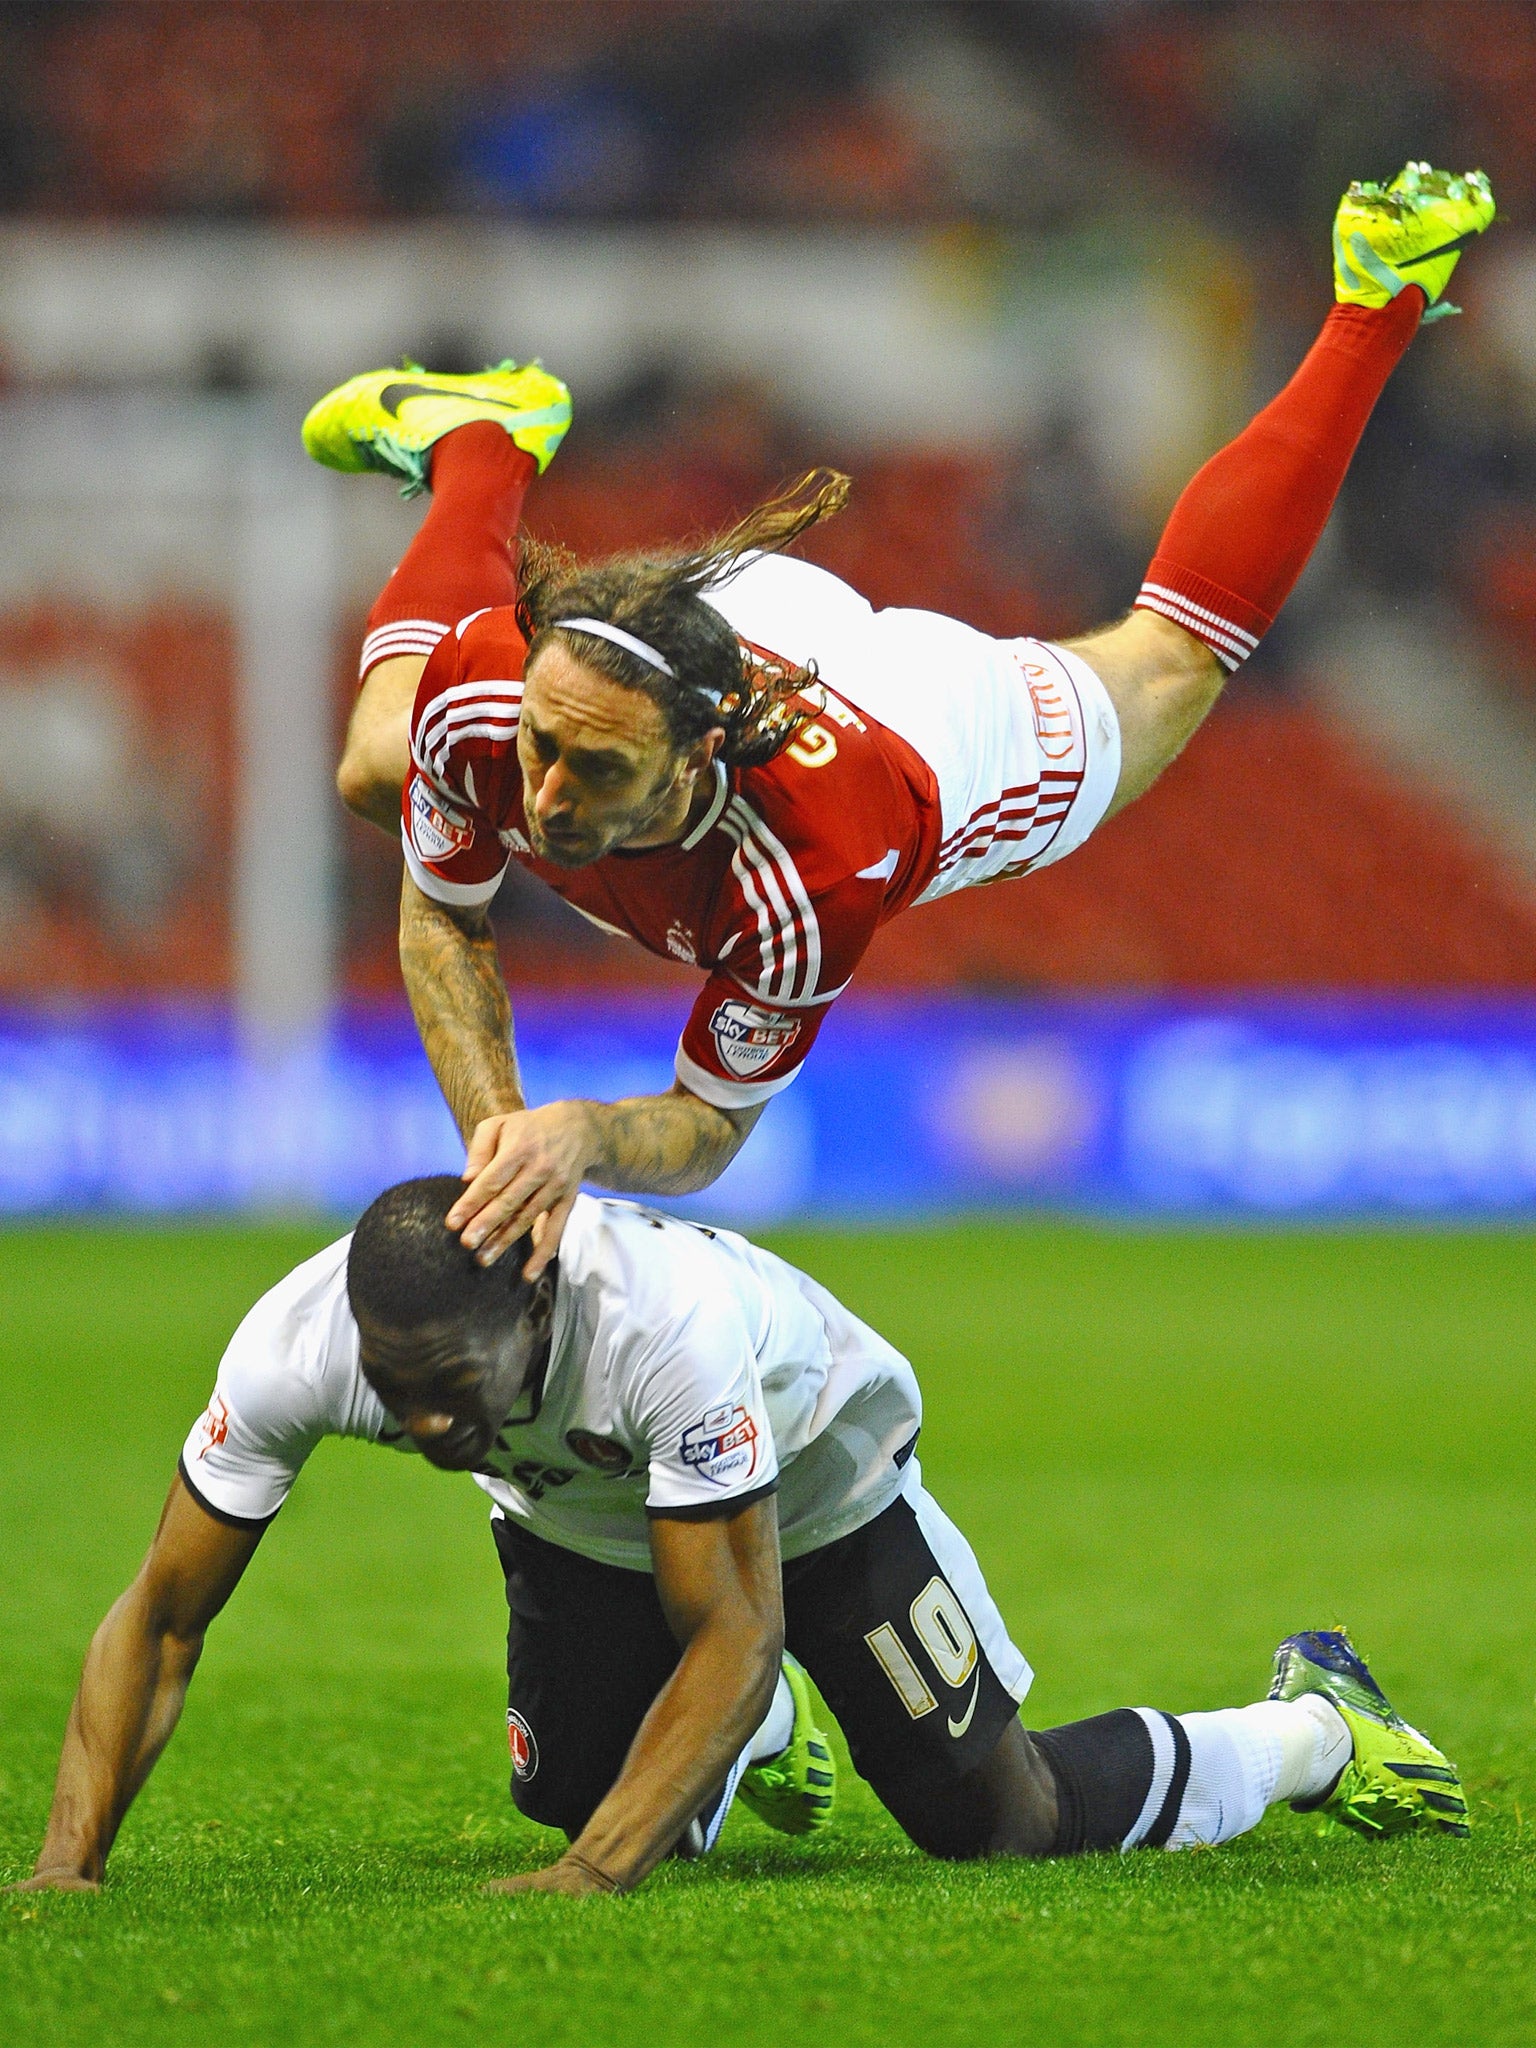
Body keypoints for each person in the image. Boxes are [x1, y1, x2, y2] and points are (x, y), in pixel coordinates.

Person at [300, 164, 1495, 1276]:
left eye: (597, 772)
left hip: (923, 720)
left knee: (1171, 663)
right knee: (373, 764)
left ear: (693, 758)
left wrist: (584, 1134)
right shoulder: (500, 693)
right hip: (730, 611)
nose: (547, 798)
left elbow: (711, 1126)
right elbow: (441, 919)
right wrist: (502, 1146)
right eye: (541, 750)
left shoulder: (812, 870)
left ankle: (1374, 298)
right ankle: (486, 432)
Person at [13, 1179, 1466, 1897]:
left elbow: (737, 1620)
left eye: (454, 1397)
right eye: (400, 1402)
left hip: (819, 1483)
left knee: (994, 1826)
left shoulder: (665, 1330)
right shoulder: (299, 1346)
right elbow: (162, 1617)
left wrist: (595, 1882)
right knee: (570, 1789)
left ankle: (1315, 1731)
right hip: (580, 1515)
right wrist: (66, 1869)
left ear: (531, 1309)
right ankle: (753, 1738)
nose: (427, 1431)